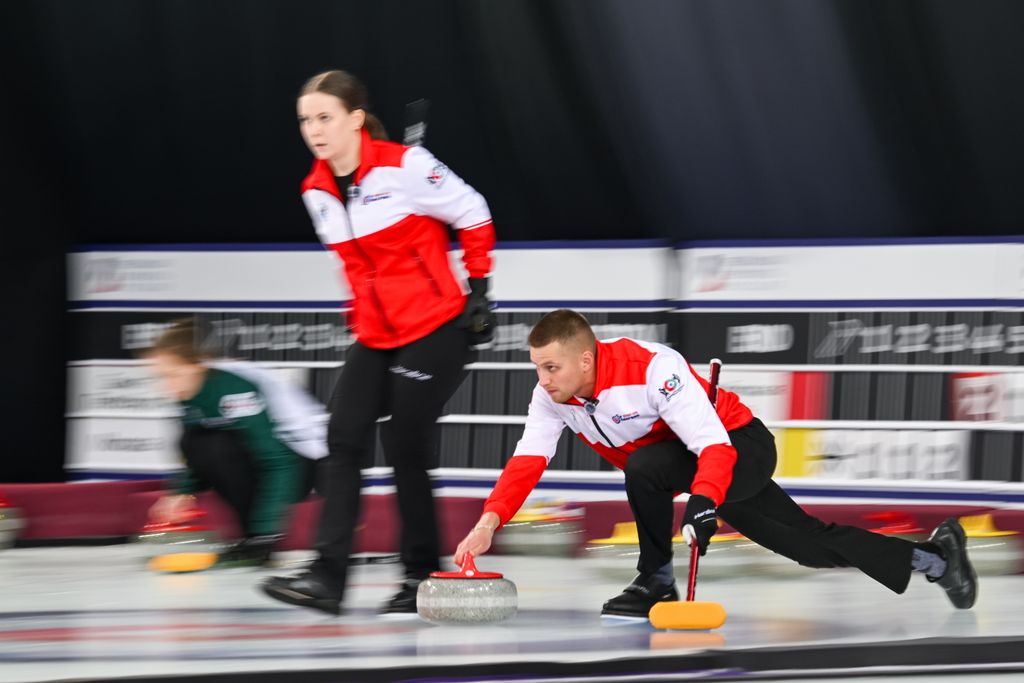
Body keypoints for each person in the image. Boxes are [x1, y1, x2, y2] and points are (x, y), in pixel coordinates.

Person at [456, 309, 977, 618]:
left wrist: (703, 502)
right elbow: (528, 459)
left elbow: (713, 445)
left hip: (738, 446)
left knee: (645, 468)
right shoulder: (550, 399)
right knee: (809, 546)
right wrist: (488, 521)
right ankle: (936, 559)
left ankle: (655, 578)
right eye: (538, 368)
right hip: (686, 463)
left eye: (551, 367)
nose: (543, 379)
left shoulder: (652, 368)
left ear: (586, 359)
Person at [261, 70, 497, 616]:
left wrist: (481, 288)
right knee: (343, 438)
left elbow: (474, 211)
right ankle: (327, 578)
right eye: (305, 120)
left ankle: (420, 576)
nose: (314, 130)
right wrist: (360, 318)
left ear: (355, 119)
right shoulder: (315, 190)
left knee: (405, 441)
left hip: (437, 325)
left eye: (325, 117)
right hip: (376, 335)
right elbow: (353, 267)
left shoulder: (406, 165)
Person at [146, 319, 326, 567]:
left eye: (172, 375)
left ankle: (258, 538)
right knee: (198, 443)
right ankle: (249, 538)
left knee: (218, 447)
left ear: (198, 365)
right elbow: (193, 451)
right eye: (161, 377)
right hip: (271, 460)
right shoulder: (189, 391)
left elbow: (279, 462)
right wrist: (181, 492)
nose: (165, 386)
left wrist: (265, 533)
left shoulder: (235, 388)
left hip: (303, 463)